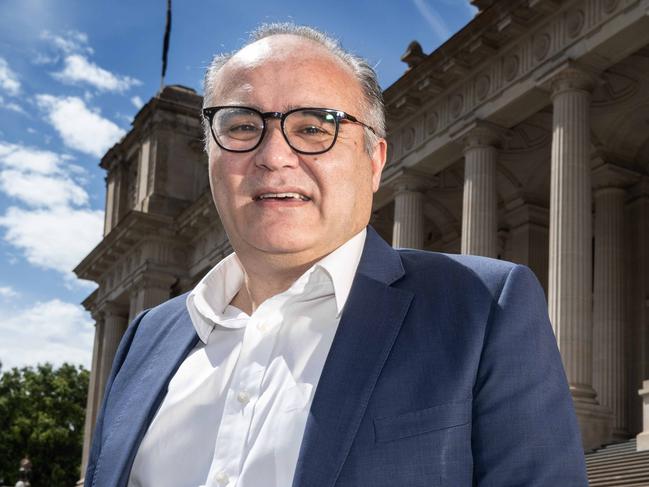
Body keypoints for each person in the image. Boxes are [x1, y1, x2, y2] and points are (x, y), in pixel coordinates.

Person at [85, 23, 588, 487]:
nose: (274, 155)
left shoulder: (482, 307)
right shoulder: (145, 338)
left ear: (374, 161)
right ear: (211, 157)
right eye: (241, 127)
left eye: (313, 127)